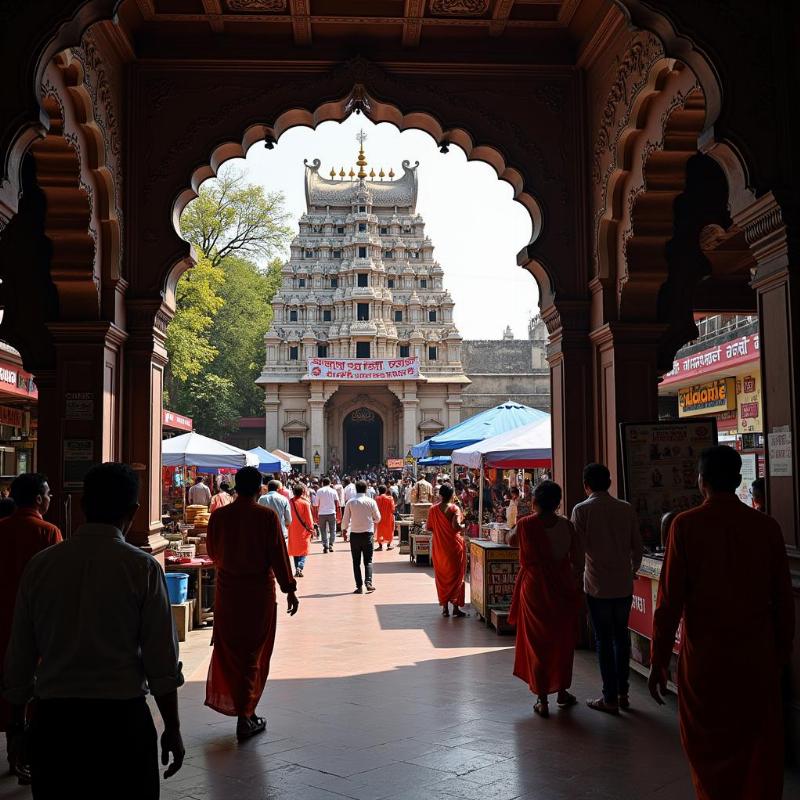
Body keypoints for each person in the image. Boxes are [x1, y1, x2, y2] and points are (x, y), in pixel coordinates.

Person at [3, 463, 184, 799]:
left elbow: (20, 656)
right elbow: (162, 660)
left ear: (83, 505)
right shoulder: (142, 568)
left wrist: (16, 728)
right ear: (133, 511)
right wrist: (172, 727)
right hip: (122, 722)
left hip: (56, 722)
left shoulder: (41, 565)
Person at [649, 446, 794, 800]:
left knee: (708, 748)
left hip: (706, 662)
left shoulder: (685, 526)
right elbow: (784, 603)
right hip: (756, 658)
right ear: (739, 480)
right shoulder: (767, 527)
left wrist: (658, 660)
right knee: (756, 750)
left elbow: (668, 603)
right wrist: (780, 656)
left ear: (701, 482)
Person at [206, 466, 299, 740]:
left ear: (235, 487)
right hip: (258, 594)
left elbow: (212, 551)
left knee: (232, 650)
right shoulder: (266, 517)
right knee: (253, 654)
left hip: (227, 593)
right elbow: (278, 557)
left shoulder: (219, 516)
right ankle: (245, 715)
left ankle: (244, 710)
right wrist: (289, 589)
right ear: (259, 488)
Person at [0, 473, 62, 781]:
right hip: (36, 623)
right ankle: (27, 757)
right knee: (33, 691)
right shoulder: (49, 532)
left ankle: (13, 751)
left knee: (9, 687)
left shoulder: (1, 529)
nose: (50, 498)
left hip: (2, 621)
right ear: (39, 498)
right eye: (48, 494)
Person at [571, 462, 642, 715]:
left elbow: (577, 554)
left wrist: (576, 577)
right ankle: (623, 693)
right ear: (609, 483)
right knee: (621, 636)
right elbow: (638, 547)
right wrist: (632, 570)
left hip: (596, 584)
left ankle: (609, 696)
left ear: (586, 485)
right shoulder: (626, 508)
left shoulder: (581, 511)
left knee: (603, 638)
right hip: (623, 584)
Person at [508, 480, 582, 718]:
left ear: (535, 502)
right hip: (562, 586)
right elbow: (578, 560)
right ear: (558, 503)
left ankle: (542, 698)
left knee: (537, 642)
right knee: (562, 640)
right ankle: (561, 691)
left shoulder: (525, 525)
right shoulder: (567, 527)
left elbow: (510, 541)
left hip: (535, 589)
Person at [426, 484, 467, 618]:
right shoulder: (455, 508)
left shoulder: (433, 509)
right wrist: (464, 526)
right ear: (452, 495)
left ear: (441, 495)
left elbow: (429, 528)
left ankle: (445, 608)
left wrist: (441, 530)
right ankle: (455, 607)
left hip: (439, 548)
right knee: (457, 577)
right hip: (454, 547)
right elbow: (456, 527)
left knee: (442, 577)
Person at [341, 481, 380, 594]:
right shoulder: (371, 501)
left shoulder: (350, 502)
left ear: (356, 489)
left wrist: (344, 529)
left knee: (356, 562)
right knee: (368, 561)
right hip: (368, 534)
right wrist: (370, 521)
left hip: (355, 535)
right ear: (366, 489)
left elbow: (345, 520)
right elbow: (378, 518)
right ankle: (368, 583)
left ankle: (359, 586)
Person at [287, 484, 314, 578]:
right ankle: (300, 566)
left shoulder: (289, 502)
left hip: (292, 529)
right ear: (302, 492)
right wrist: (311, 529)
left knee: (295, 550)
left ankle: (297, 568)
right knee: (303, 550)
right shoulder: (305, 503)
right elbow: (309, 518)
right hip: (303, 530)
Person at [314, 477, 340, 553]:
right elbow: (337, 503)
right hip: (332, 512)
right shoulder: (333, 491)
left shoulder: (319, 491)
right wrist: (338, 513)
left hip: (321, 513)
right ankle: (331, 544)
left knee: (323, 530)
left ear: (322, 483)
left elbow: (315, 504)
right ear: (330, 483)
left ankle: (325, 545)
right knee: (333, 530)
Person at [374, 485, 396, 551]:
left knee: (380, 531)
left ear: (379, 491)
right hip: (389, 518)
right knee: (389, 531)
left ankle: (380, 546)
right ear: (386, 490)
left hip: (379, 518)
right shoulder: (390, 498)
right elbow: (393, 509)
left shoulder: (377, 498)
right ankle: (388, 545)